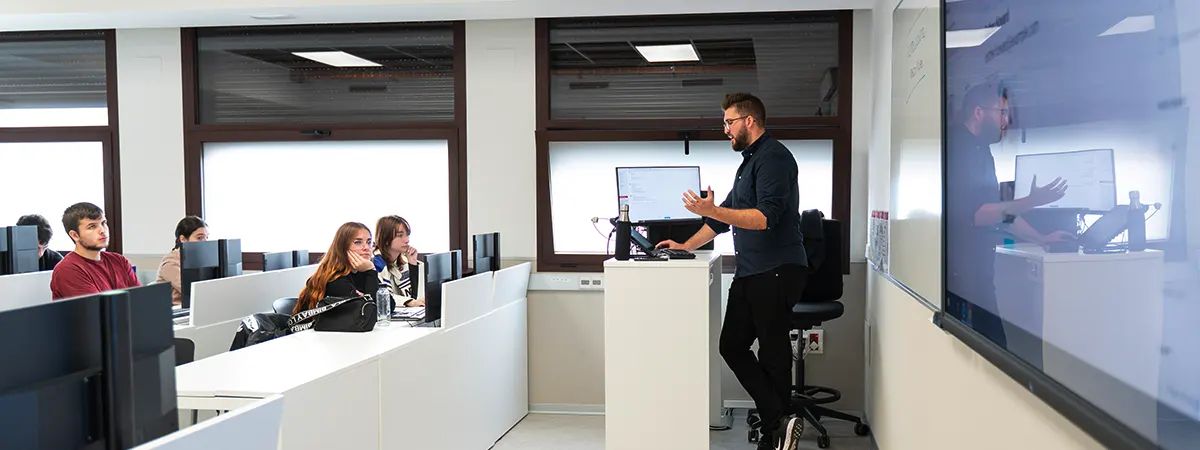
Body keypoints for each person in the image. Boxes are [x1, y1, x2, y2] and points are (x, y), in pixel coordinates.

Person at [654, 93, 807, 450]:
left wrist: (716, 211)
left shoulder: (774, 159)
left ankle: (776, 436)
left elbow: (765, 218)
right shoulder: (750, 162)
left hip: (777, 270)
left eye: (728, 122)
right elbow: (722, 218)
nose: (725, 129)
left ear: (749, 121)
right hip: (753, 271)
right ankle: (779, 420)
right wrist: (685, 245)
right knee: (732, 345)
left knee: (772, 355)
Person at [945, 82, 1075, 348]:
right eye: (1001, 113)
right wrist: (1031, 201)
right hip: (963, 281)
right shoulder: (959, 147)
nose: (1006, 120)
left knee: (993, 349)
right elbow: (975, 215)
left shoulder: (982, 151)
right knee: (987, 351)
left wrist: (1042, 238)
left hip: (978, 277)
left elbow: (998, 213)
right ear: (979, 112)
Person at [50, 202, 140, 300]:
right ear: (75, 235)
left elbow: (140, 299)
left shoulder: (119, 260)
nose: (102, 230)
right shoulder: (68, 269)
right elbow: (96, 310)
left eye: (103, 223)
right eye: (92, 226)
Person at [292, 222, 379, 316]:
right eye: (358, 242)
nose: (366, 248)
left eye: (369, 242)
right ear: (342, 247)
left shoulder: (362, 272)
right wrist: (371, 271)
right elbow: (368, 311)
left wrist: (370, 271)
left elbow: (387, 304)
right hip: (312, 330)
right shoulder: (334, 279)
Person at [154, 216, 210, 306]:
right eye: (200, 238)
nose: (205, 242)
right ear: (183, 239)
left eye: (206, 237)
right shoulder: (171, 262)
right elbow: (192, 291)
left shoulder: (197, 258)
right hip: (176, 313)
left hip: (194, 307)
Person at [373, 215, 425, 308]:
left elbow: (416, 295)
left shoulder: (404, 259)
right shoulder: (375, 263)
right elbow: (382, 296)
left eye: (407, 235)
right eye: (400, 235)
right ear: (386, 238)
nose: (407, 240)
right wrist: (409, 302)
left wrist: (412, 264)